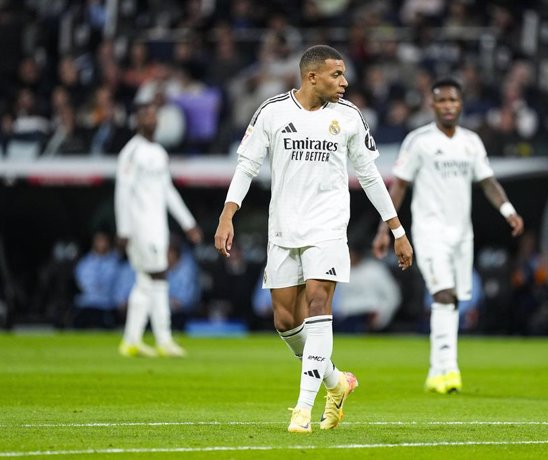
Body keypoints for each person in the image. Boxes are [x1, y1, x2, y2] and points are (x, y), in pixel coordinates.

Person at [214, 45, 413, 433]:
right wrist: (227, 214)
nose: (345, 81)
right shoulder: (272, 112)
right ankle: (337, 383)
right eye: (337, 75)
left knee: (319, 303)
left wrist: (397, 230)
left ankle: (303, 410)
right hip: (284, 230)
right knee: (286, 320)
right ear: (311, 77)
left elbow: (371, 177)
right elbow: (247, 165)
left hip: (328, 228)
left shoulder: (350, 117)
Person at [372, 78, 524, 394]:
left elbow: (488, 181)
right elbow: (399, 185)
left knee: (453, 299)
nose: (448, 106)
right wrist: (384, 229)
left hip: (461, 234)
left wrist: (508, 210)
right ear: (432, 105)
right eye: (441, 101)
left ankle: (436, 371)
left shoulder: (471, 142)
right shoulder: (419, 141)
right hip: (429, 231)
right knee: (441, 293)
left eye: (453, 100)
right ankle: (450, 370)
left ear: (461, 103)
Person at [115, 103, 202, 358]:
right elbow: (123, 192)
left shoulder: (159, 152)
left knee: (144, 282)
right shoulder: (131, 152)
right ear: (137, 121)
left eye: (154, 116)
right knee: (159, 276)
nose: (151, 120)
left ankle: (131, 340)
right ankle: (164, 338)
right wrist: (124, 230)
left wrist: (188, 223)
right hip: (140, 227)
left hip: (158, 225)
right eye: (146, 116)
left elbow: (168, 191)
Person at [72, 231, 120, 329]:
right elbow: (82, 283)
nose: (102, 244)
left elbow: (118, 284)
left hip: (107, 305)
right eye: (99, 241)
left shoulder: (116, 262)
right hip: (87, 304)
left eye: (104, 241)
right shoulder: (85, 262)